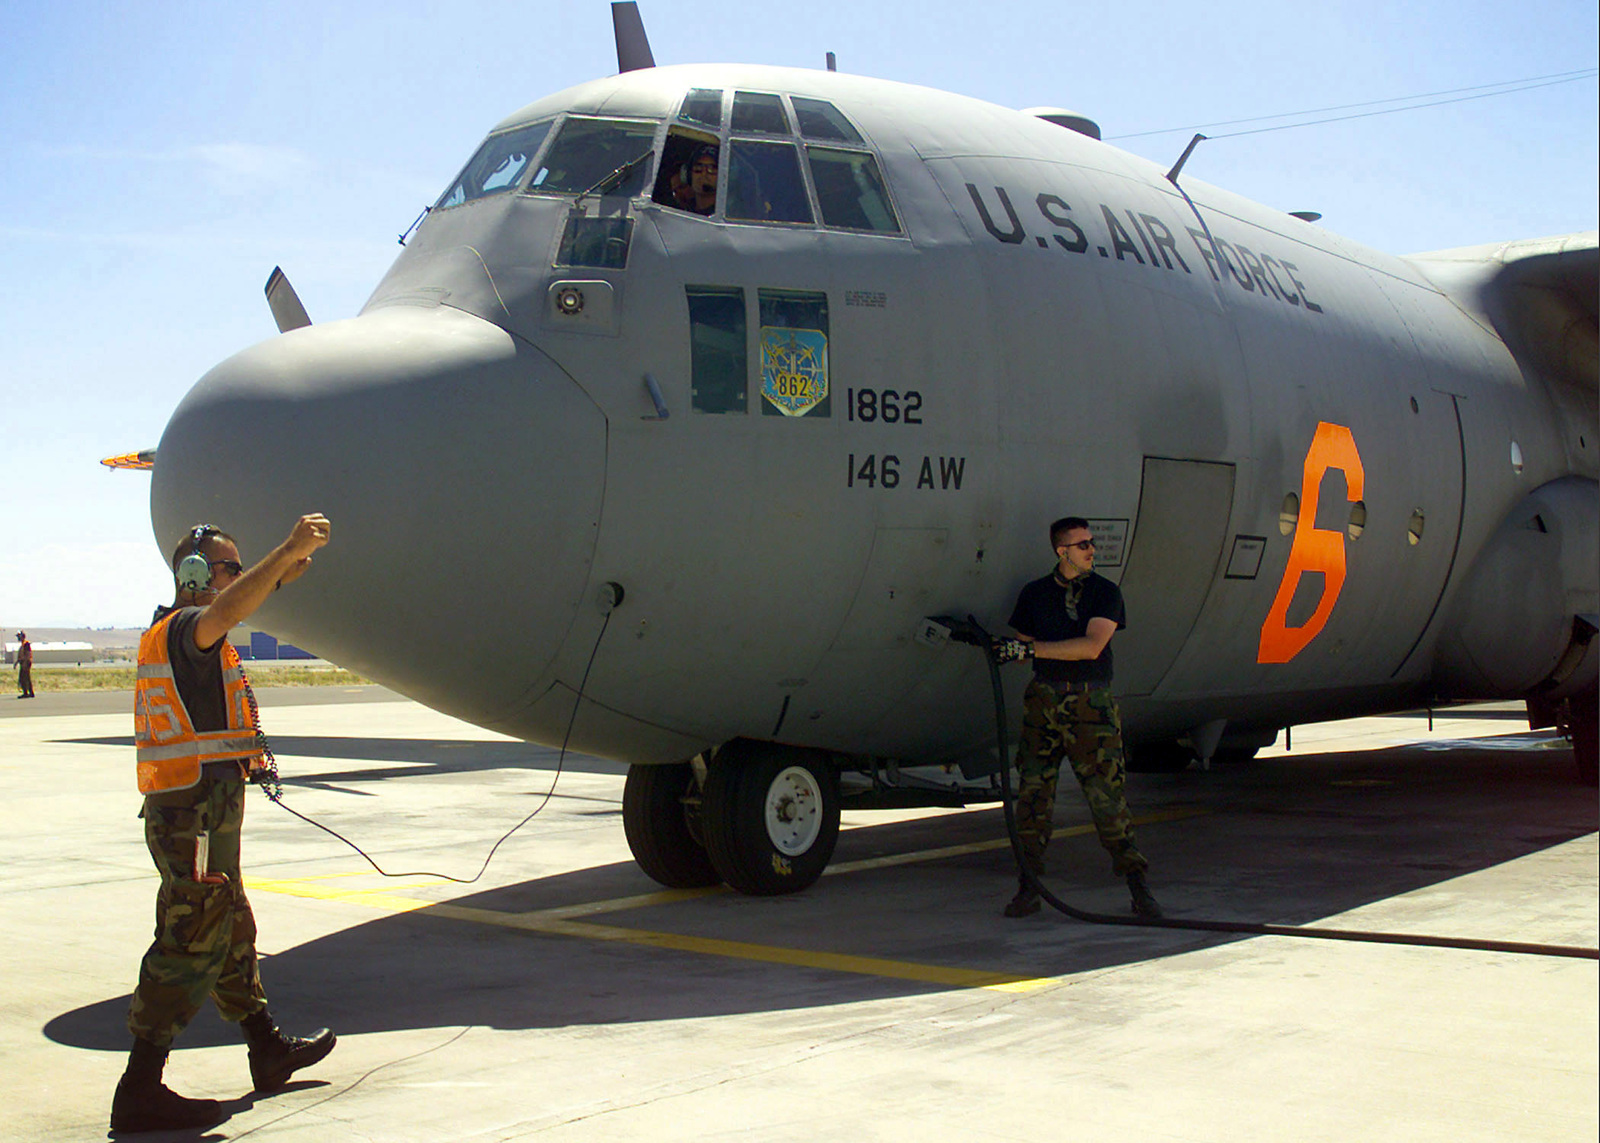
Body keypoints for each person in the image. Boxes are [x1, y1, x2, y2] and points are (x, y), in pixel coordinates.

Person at [111, 515, 337, 1134]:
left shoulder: (180, 636)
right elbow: (229, 608)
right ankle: (139, 1088)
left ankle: (266, 1047)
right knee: (191, 941)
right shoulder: (187, 628)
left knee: (232, 927)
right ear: (194, 576)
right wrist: (286, 548)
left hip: (203, 816)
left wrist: (279, 574)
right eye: (230, 569)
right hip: (194, 824)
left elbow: (236, 609)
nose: (238, 580)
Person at [994, 516, 1162, 920]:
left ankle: (1138, 886)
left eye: (1091, 543)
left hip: (1091, 705)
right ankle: (1028, 887)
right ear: (1061, 551)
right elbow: (1021, 642)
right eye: (1082, 544)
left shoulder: (1105, 593)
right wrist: (1028, 650)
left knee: (1107, 799)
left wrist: (1034, 651)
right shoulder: (1034, 594)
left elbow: (1090, 648)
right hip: (1044, 702)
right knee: (1033, 798)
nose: (1091, 550)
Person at [678, 144, 718, 215]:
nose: (703, 174)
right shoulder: (682, 212)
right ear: (688, 175)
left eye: (711, 169)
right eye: (698, 168)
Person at [15, 631, 33, 697]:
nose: (18, 638)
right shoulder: (23, 644)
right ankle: (29, 692)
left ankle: (27, 692)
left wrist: (25, 663)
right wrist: (17, 663)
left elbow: (28, 654)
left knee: (25, 678)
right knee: (25, 678)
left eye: (19, 636)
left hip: (26, 663)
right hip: (23, 663)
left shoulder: (26, 644)